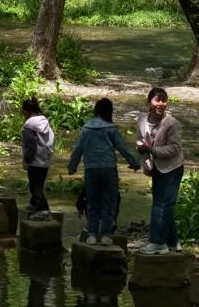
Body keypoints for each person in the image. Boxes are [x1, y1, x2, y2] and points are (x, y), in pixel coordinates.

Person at [68, 98, 141, 246]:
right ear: (109, 112)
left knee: (92, 201)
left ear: (95, 111)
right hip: (108, 168)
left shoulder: (86, 129)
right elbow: (123, 148)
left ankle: (92, 234)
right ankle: (106, 235)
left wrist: (72, 166)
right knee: (109, 201)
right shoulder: (110, 128)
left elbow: (78, 150)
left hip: (91, 169)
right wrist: (134, 163)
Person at [136, 87, 185, 255]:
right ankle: (173, 241)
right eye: (157, 100)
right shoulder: (142, 120)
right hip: (156, 167)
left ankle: (158, 243)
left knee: (162, 205)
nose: (161, 104)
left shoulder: (172, 123)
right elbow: (140, 139)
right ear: (149, 102)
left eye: (164, 100)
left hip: (172, 168)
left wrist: (152, 150)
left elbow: (174, 149)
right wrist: (141, 148)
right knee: (163, 204)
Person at [21, 98, 55, 221]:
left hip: (35, 161)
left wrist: (26, 160)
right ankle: (34, 204)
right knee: (38, 185)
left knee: (35, 187)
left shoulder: (29, 125)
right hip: (45, 160)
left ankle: (43, 210)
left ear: (26, 111)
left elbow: (31, 145)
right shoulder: (45, 123)